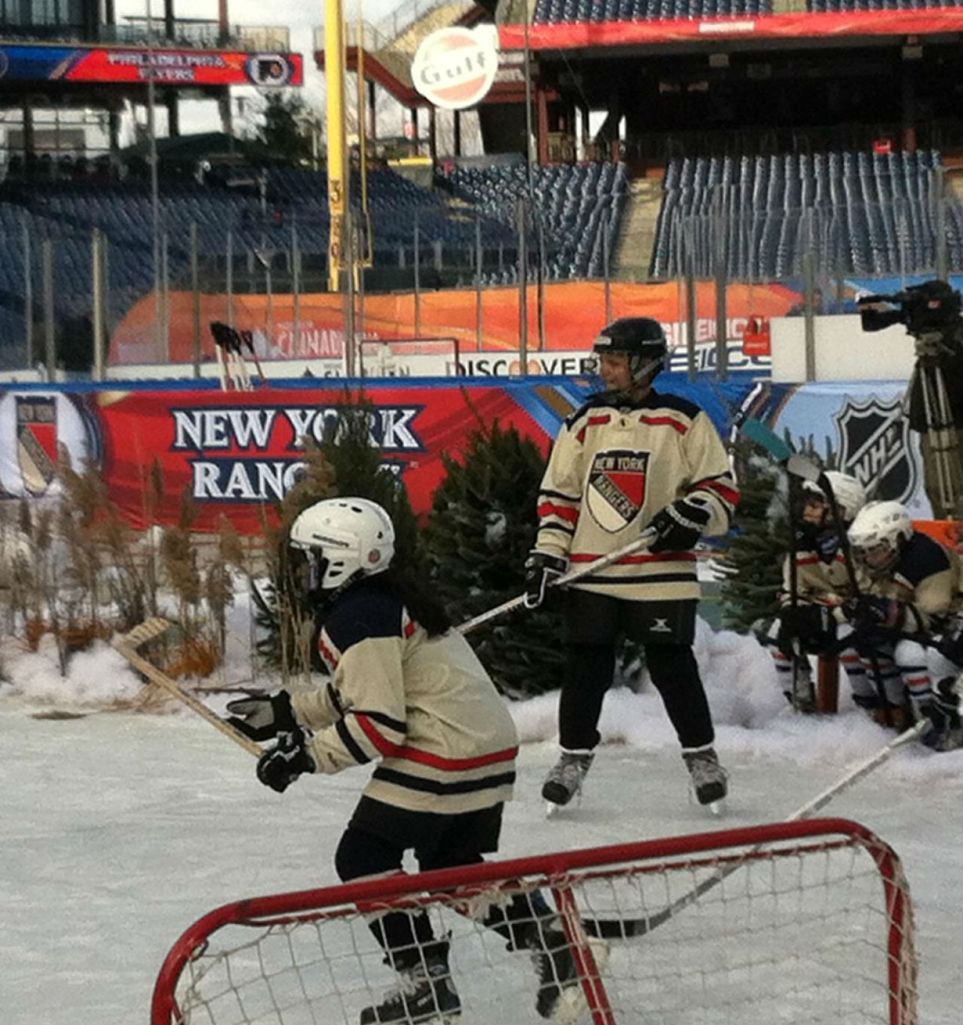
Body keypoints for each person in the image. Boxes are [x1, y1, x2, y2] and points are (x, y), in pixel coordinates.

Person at [227, 497, 606, 1024]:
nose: (302, 572)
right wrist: (285, 713)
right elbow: (359, 692)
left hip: (447, 748)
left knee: (362, 858)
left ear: (339, 559)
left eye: (309, 558)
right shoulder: (381, 602)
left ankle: (425, 984)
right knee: (449, 869)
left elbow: (379, 725)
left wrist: (302, 758)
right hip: (483, 744)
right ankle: (549, 940)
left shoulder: (356, 616)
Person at [524, 317, 740, 811]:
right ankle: (572, 759)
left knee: (673, 669)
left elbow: (720, 490)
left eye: (615, 361)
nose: (605, 370)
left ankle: (703, 758)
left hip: (660, 578)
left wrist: (694, 513)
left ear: (645, 364)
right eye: (603, 360)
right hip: (592, 574)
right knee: (585, 671)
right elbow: (558, 497)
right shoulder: (583, 421)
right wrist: (547, 555)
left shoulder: (684, 420)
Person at [841, 500, 963, 750]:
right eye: (862, 551)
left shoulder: (928, 559)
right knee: (857, 641)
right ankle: (892, 712)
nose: (867, 558)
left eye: (874, 550)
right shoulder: (878, 564)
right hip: (911, 627)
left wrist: (886, 612)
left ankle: (931, 719)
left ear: (897, 539)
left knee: (911, 653)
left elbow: (935, 616)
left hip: (944, 627)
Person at [764, 471, 869, 713]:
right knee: (780, 635)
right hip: (815, 614)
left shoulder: (858, 546)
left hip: (849, 617)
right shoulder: (802, 542)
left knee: (850, 640)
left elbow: (866, 592)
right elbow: (793, 588)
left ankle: (870, 706)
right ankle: (801, 700)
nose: (806, 512)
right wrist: (792, 611)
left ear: (840, 510)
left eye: (815, 505)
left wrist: (838, 611)